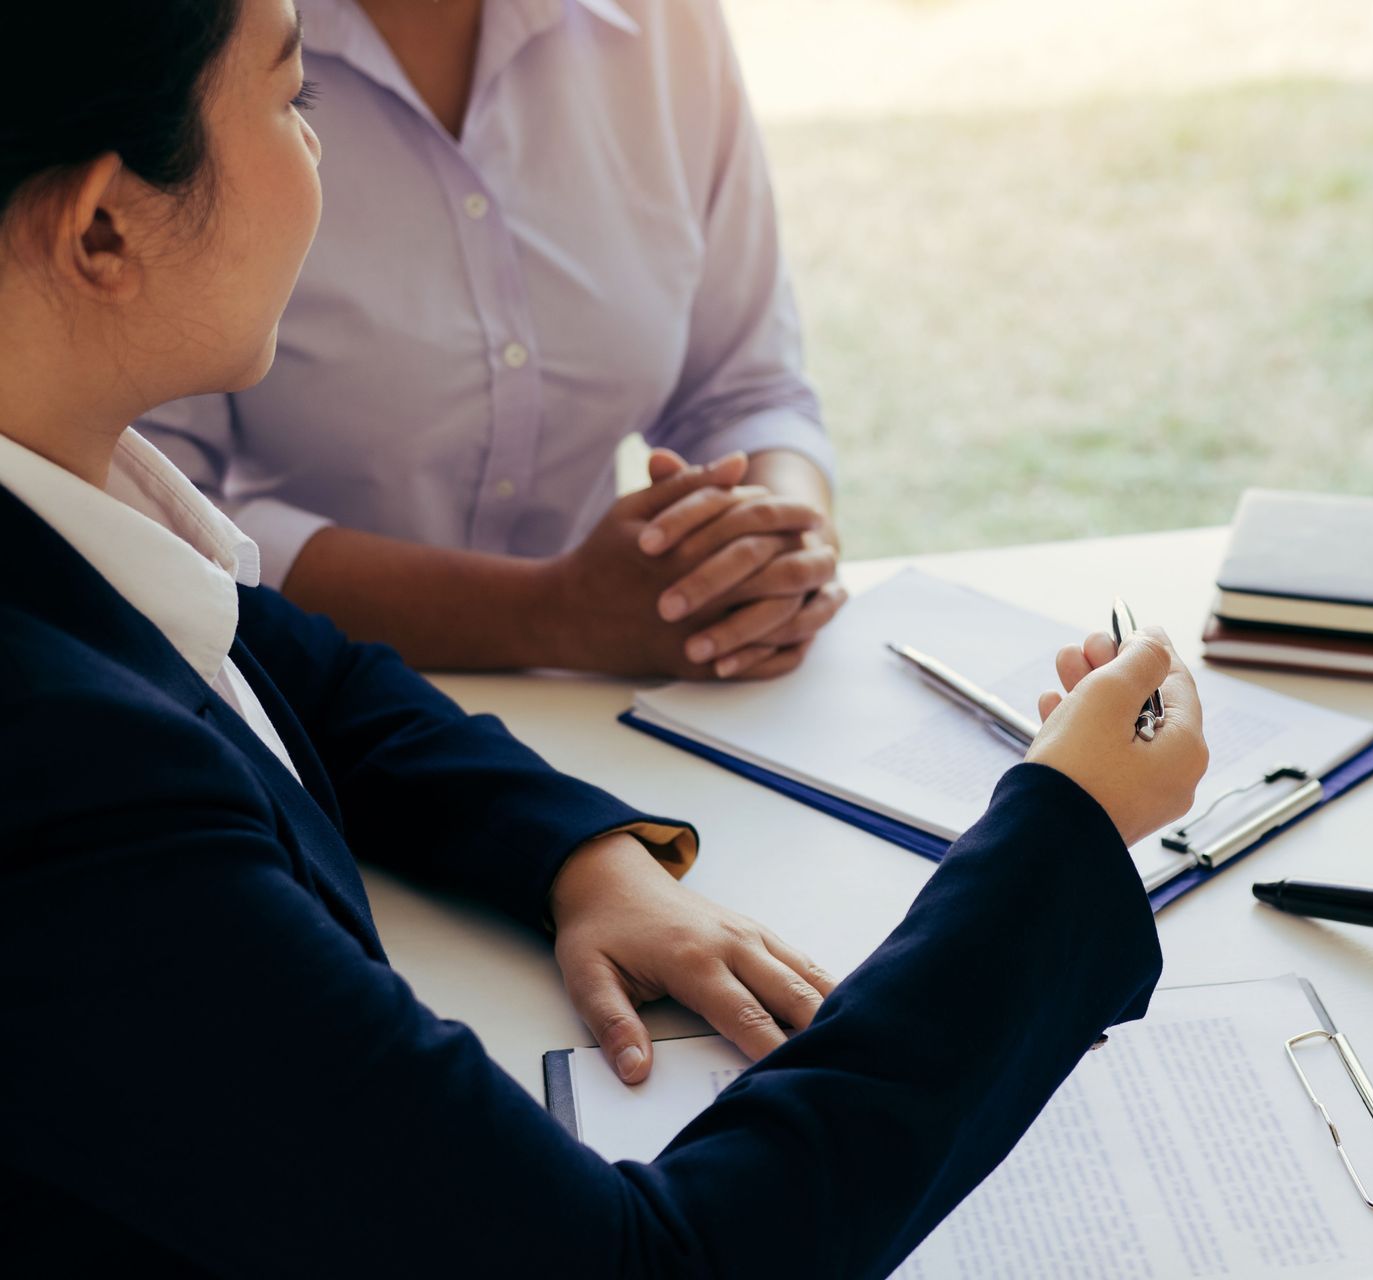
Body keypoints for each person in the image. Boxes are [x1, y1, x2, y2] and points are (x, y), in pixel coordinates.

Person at [0, 3, 1211, 1274]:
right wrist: (1063, 832)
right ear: (104, 226)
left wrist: (581, 857)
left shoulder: (79, 523)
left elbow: (311, 673)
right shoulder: (72, 784)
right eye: (291, 101)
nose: (319, 152)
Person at [137, 0, 847, 685]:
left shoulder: (667, 21)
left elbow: (747, 391)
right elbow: (151, 505)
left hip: (613, 700)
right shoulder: (198, 30)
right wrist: (548, 614)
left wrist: (778, 550)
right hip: (300, 705)